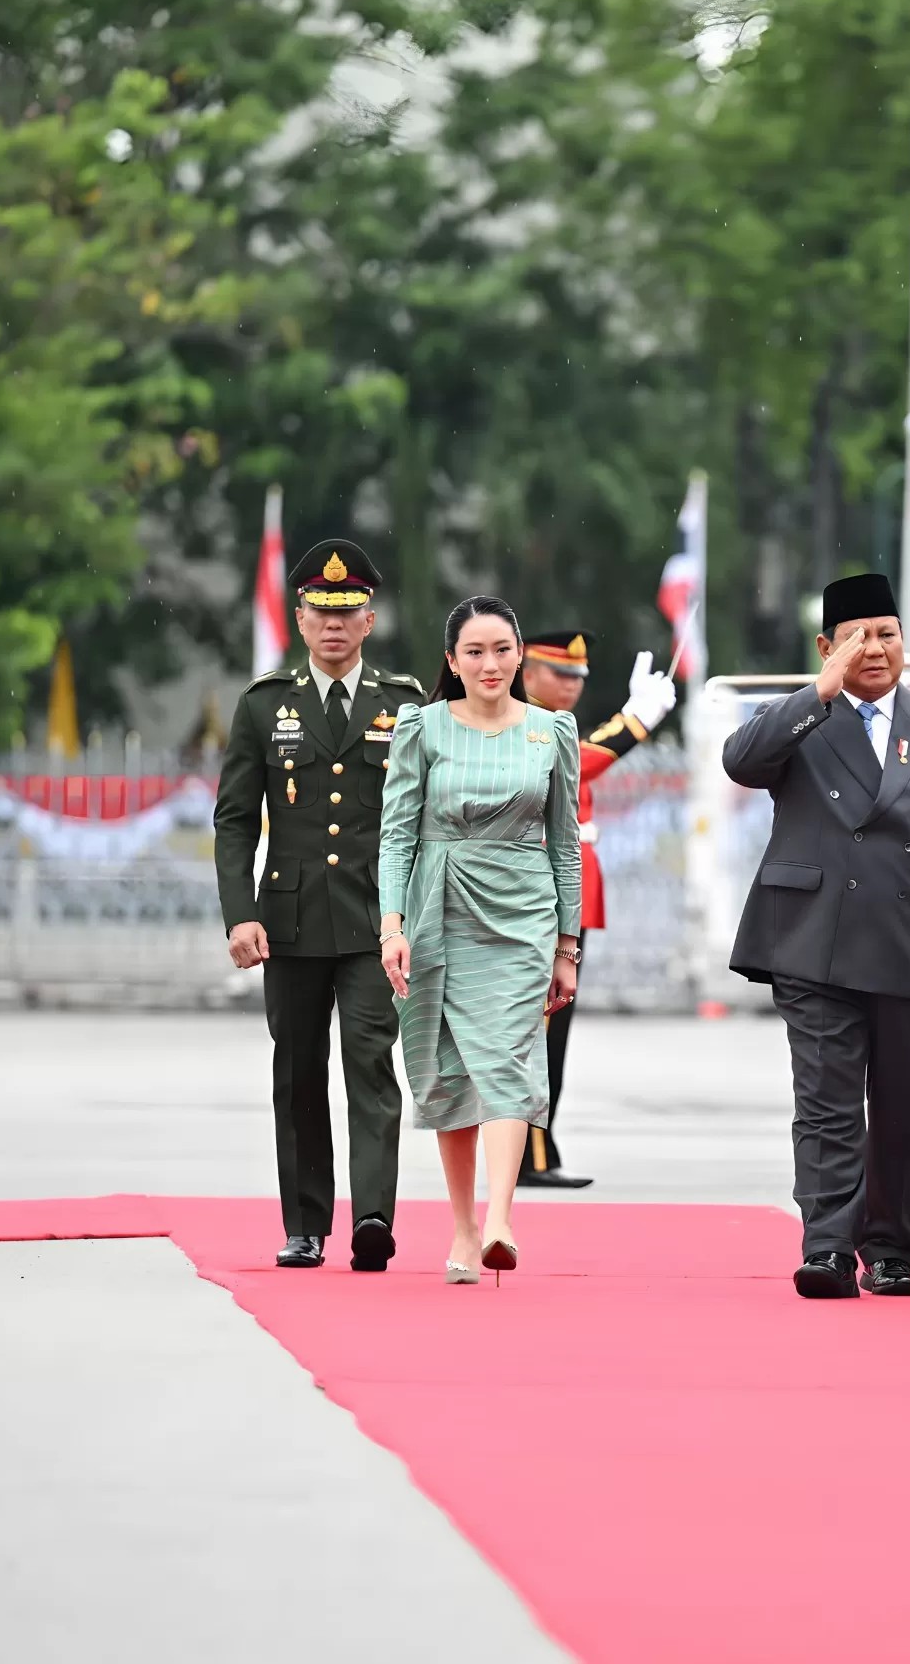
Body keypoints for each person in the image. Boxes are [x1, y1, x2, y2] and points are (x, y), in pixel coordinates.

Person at [722, 572, 910, 1298]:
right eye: (857, 638)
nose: (874, 649)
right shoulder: (802, 717)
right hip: (813, 940)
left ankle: (889, 1248)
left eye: (887, 634)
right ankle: (825, 1246)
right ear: (827, 648)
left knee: (907, 1107)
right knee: (826, 1102)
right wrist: (817, 693)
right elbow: (741, 761)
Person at [214, 540, 429, 1272]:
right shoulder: (264, 704)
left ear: (369, 620)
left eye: (347, 612)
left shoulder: (405, 705)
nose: (333, 625)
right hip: (291, 919)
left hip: (377, 919)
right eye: (320, 612)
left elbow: (424, 818)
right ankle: (305, 1223)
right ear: (300, 619)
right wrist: (240, 913)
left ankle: (372, 1216)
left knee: (370, 1062)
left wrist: (415, 915)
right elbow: (235, 820)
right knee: (298, 1069)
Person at [377, 596, 584, 1285]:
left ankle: (500, 1219)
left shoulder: (552, 732)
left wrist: (566, 947)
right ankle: (464, 1227)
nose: (490, 663)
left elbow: (564, 847)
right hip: (437, 909)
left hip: (523, 915)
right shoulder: (422, 727)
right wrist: (392, 927)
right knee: (448, 1069)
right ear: (452, 661)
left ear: (520, 654)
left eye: (501, 649)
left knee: (506, 1057)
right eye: (474, 651)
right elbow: (397, 835)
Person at [515, 629, 679, 1189]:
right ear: (527, 672)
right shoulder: (521, 725)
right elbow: (579, 763)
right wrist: (635, 720)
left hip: (568, 893)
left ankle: (538, 1148)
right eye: (560, 673)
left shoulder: (551, 724)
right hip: (537, 895)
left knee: (552, 1028)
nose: (572, 685)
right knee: (540, 1029)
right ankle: (531, 1154)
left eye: (578, 676)